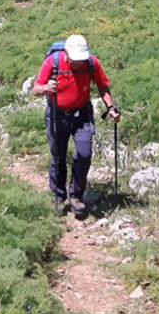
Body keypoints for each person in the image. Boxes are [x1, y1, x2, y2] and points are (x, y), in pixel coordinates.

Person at [32, 34, 120, 217]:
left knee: (84, 154)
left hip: (82, 115)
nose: (77, 63)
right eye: (74, 59)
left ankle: (76, 196)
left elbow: (103, 86)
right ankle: (58, 197)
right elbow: (36, 88)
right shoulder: (52, 62)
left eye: (80, 59)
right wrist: (45, 89)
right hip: (57, 115)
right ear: (66, 53)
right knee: (58, 156)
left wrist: (110, 107)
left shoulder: (91, 63)